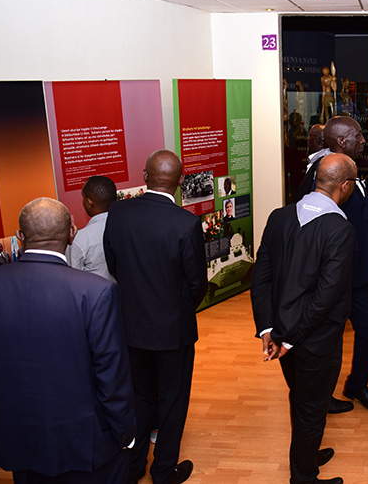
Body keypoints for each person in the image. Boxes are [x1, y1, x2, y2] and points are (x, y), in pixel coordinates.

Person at [0, 197, 135, 483]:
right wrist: (125, 433)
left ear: (19, 237)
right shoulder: (96, 292)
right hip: (87, 444)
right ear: (72, 233)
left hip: (19, 440)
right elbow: (112, 377)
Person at [252, 153, 358, 484]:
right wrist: (288, 338)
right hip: (314, 340)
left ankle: (305, 453)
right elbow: (326, 297)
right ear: (345, 185)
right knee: (311, 408)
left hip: (283, 334)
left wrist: (270, 329)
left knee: (299, 397)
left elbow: (261, 278)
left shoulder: (279, 216)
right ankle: (304, 476)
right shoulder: (340, 229)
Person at [103, 150, 208, 484]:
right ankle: (163, 471)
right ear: (180, 182)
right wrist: (176, 311)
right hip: (173, 331)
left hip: (131, 327)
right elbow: (197, 284)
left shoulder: (117, 213)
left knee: (140, 397)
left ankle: (133, 467)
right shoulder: (186, 223)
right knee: (173, 400)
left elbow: (113, 264)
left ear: (144, 176)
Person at [297, 115, 368, 414]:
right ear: (343, 141)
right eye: (359, 136)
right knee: (329, 338)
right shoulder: (324, 175)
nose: (364, 140)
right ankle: (321, 396)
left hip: (357, 275)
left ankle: (356, 384)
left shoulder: (349, 169)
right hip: (337, 276)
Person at [69, 175, 117, 282]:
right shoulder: (128, 227)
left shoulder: (80, 239)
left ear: (90, 203)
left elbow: (75, 280)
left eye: (83, 198)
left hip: (97, 297)